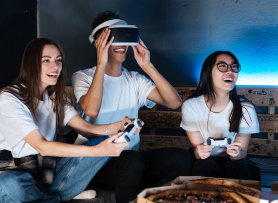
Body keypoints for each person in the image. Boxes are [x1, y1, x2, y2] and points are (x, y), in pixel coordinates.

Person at [0, 38, 138, 203]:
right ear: (31, 64)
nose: (55, 67)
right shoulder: (9, 98)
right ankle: (52, 198)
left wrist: (119, 126)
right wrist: (99, 151)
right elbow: (41, 146)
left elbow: (85, 128)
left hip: (47, 175)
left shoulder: (56, 97)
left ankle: (46, 197)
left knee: (105, 140)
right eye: (46, 61)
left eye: (58, 61)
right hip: (10, 172)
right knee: (10, 185)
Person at [72, 11, 193, 203]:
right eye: (113, 38)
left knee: (181, 158)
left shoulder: (135, 79)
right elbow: (91, 110)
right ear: (99, 43)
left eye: (124, 37)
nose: (121, 44)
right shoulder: (83, 76)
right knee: (132, 161)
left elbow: (174, 103)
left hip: (130, 160)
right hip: (95, 163)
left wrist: (147, 65)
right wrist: (101, 62)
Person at [180, 51, 261, 180]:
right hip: (203, 161)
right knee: (204, 166)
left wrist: (236, 153)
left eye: (234, 67)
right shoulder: (191, 106)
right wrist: (199, 152)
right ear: (208, 72)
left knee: (237, 167)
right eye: (222, 66)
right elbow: (197, 150)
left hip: (234, 161)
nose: (230, 71)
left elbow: (243, 153)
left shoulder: (245, 108)